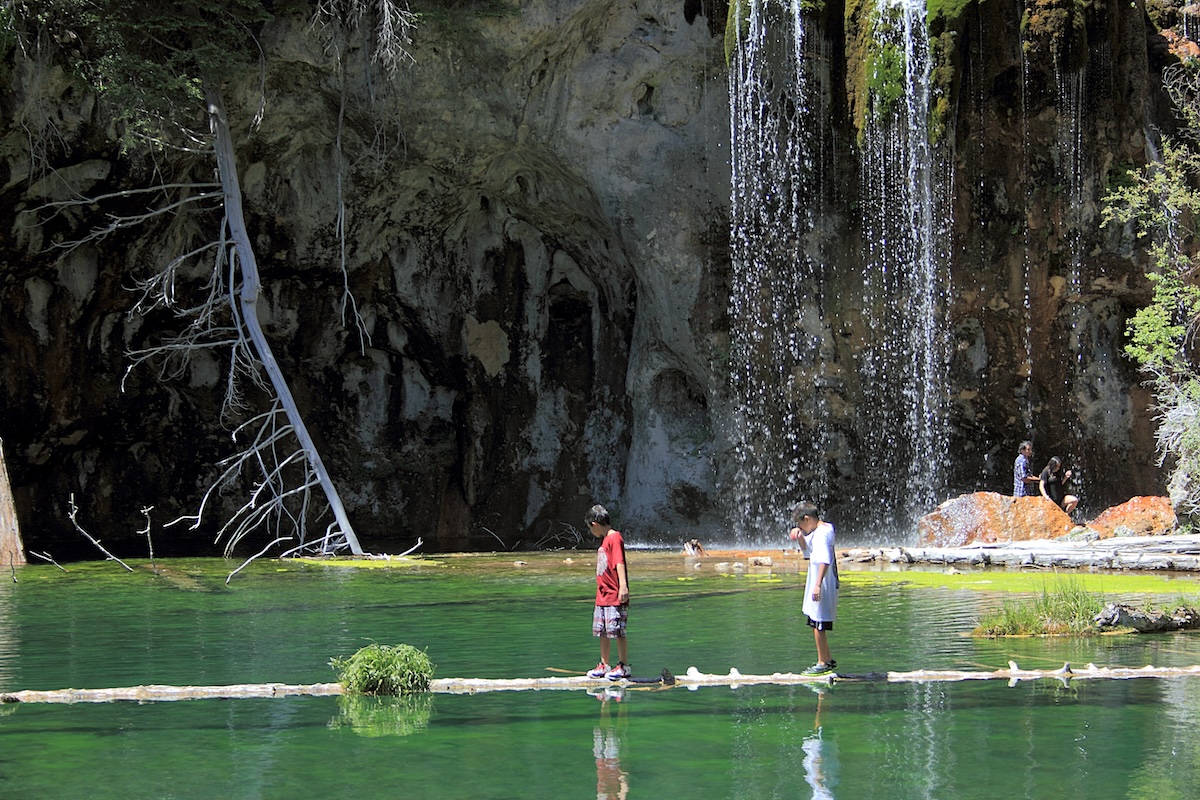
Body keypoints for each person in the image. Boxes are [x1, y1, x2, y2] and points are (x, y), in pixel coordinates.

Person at [788, 501, 838, 675]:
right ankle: (828, 658)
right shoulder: (823, 529)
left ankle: (822, 662)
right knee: (815, 622)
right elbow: (807, 548)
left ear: (807, 519)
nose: (800, 527)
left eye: (800, 524)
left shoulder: (821, 535)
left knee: (818, 624)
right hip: (821, 582)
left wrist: (817, 585)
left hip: (822, 583)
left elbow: (824, 560)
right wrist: (800, 536)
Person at [585, 504, 631, 680]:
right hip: (603, 595)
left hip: (614, 594)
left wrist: (623, 586)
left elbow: (619, 562)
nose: (591, 532)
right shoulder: (605, 540)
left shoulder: (614, 538)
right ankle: (604, 664)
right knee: (603, 631)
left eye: (590, 528)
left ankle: (623, 666)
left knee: (617, 631)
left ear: (595, 524)